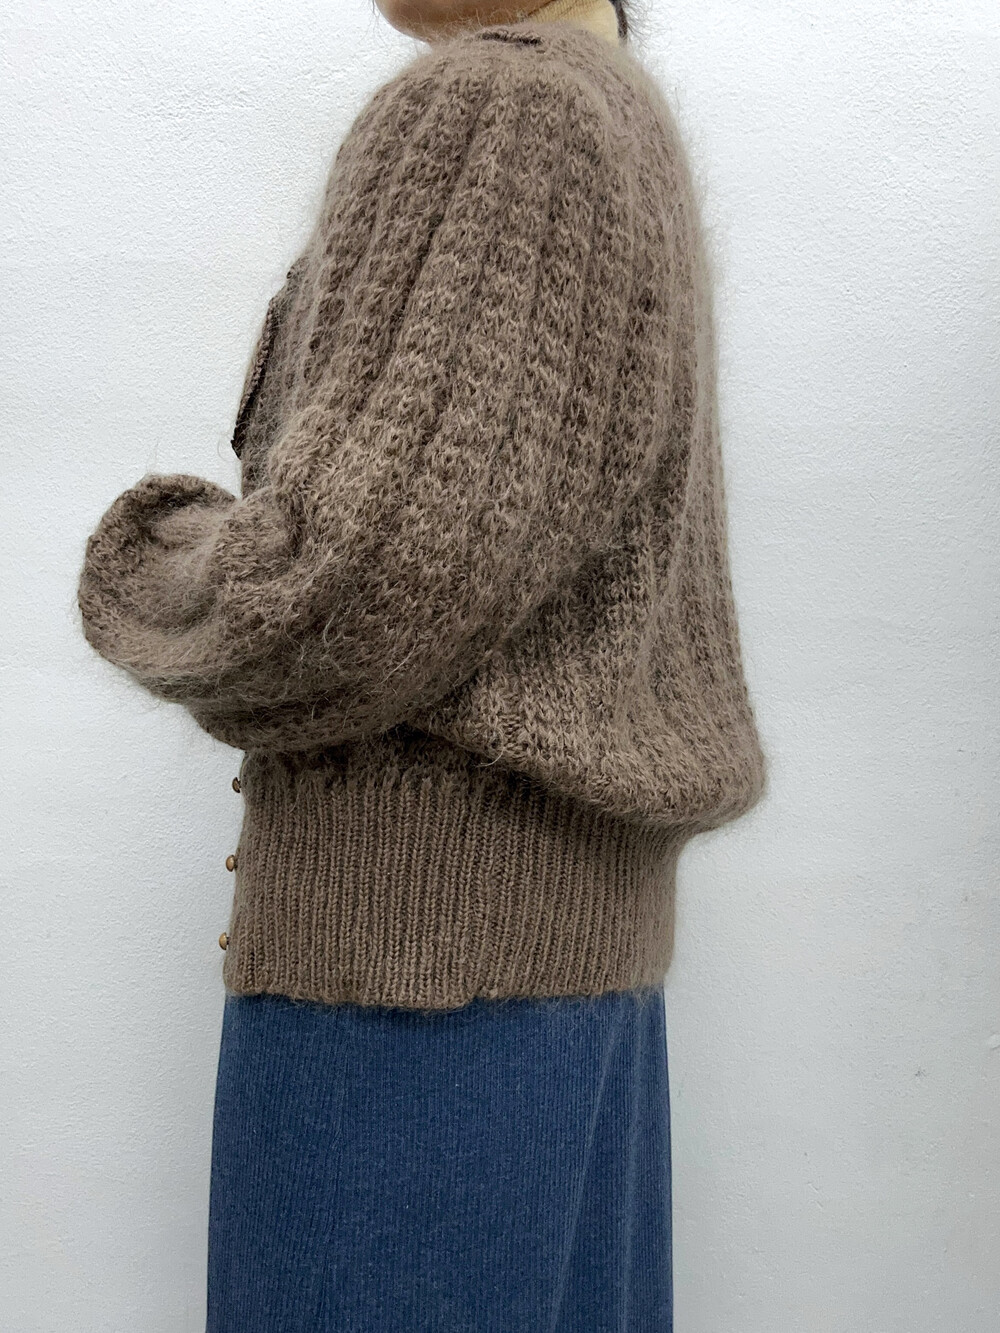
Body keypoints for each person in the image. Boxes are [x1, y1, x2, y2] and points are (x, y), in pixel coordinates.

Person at [76, 0, 767, 1327]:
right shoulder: (616, 115)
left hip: (414, 995)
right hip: (560, 982)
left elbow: (356, 583)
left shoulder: (503, 107)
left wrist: (152, 555)